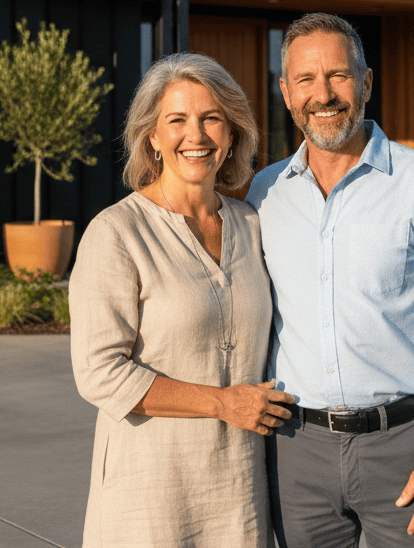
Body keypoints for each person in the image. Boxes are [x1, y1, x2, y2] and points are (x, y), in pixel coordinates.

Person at [246, 13, 414, 548]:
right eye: (306, 80)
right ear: (286, 92)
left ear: (366, 82)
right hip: (295, 451)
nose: (324, 94)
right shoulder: (263, 195)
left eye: (338, 75)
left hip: (404, 450)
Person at [69, 52, 294, 548]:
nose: (196, 135)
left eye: (211, 118)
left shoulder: (252, 224)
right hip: (149, 490)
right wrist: (221, 402)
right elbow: (98, 372)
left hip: (238, 489)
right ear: (152, 136)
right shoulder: (116, 233)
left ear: (232, 133)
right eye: (177, 120)